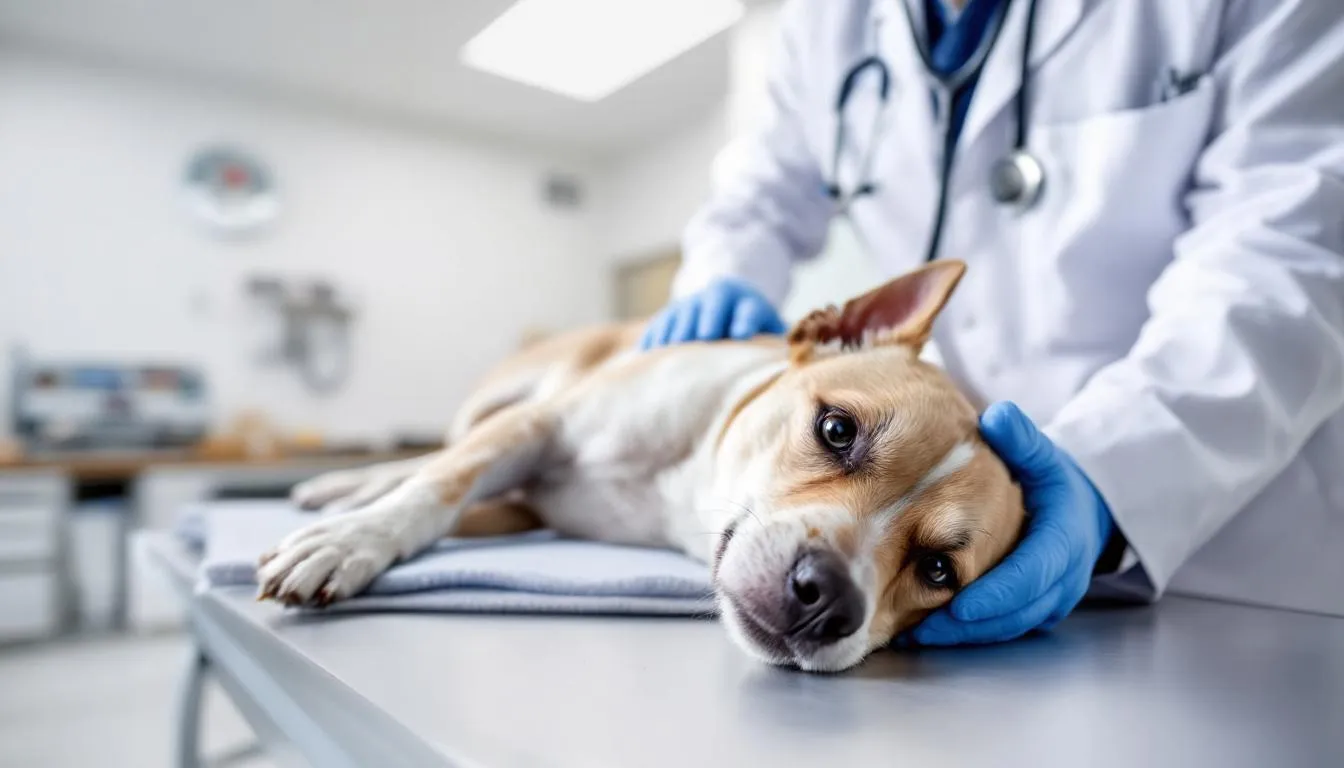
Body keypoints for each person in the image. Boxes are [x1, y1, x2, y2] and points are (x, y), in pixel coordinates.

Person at [642, 0, 1344, 644]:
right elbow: (765, 180)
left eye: (838, 432)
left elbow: (1293, 245)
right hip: (955, 543)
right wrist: (724, 272)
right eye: (836, 434)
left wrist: (1116, 476)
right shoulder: (832, 18)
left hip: (1229, 543)